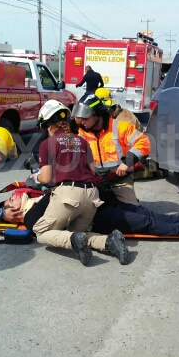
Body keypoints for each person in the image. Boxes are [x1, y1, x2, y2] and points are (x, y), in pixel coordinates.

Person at [30, 99, 128, 265]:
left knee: (40, 231)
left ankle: (75, 240)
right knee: (76, 232)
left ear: (49, 124)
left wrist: (36, 177)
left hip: (69, 196)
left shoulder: (47, 144)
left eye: (45, 126)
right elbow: (92, 171)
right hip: (92, 196)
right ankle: (108, 242)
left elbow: (46, 178)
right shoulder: (82, 141)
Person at [4, 187, 179, 238]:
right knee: (144, 223)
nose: (13, 195)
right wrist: (50, 195)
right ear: (13, 210)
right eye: (9, 200)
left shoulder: (32, 197)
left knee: (142, 211)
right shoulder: (30, 216)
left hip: (96, 204)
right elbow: (39, 224)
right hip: (95, 220)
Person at [72, 93, 150, 205]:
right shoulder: (82, 133)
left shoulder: (119, 127)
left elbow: (144, 141)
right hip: (96, 181)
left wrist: (127, 162)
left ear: (97, 114)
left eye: (85, 118)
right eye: (80, 117)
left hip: (119, 180)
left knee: (132, 212)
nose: (82, 122)